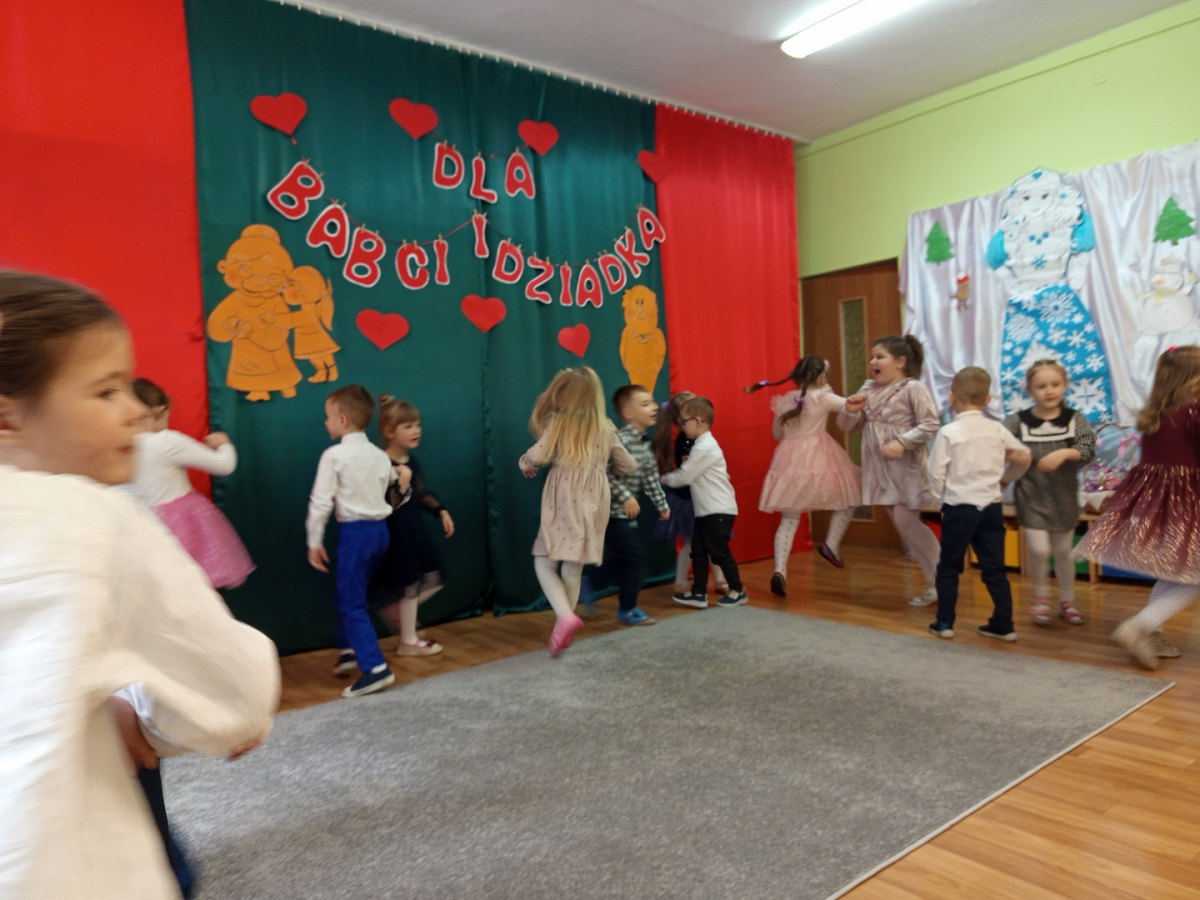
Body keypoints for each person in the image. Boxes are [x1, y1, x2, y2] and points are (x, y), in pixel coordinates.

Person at [0, 271, 278, 900]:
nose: (133, 410)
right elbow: (235, 691)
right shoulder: (97, 523)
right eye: (106, 391)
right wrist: (161, 719)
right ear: (6, 416)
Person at [1074, 346, 1200, 669]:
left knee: (1175, 570)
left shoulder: (1156, 413)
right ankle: (1139, 626)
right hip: (1186, 504)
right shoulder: (1193, 412)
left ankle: (1152, 633)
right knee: (1193, 575)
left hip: (1158, 505)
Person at [520, 367, 636, 657]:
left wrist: (526, 464)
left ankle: (564, 617)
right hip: (596, 501)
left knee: (544, 561)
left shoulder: (559, 423)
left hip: (565, 499)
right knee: (573, 567)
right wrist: (603, 467)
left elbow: (536, 456)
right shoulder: (606, 427)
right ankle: (563, 629)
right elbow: (628, 465)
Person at [306, 384, 411, 698]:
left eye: (327, 417)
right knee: (349, 591)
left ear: (342, 420)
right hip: (380, 533)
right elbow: (397, 492)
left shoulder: (334, 455)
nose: (324, 422)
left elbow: (320, 502)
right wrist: (403, 483)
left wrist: (314, 541)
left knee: (351, 600)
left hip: (356, 534)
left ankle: (375, 668)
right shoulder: (379, 455)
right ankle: (349, 647)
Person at [925, 367, 1031, 641]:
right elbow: (1023, 457)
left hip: (959, 507)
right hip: (991, 508)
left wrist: (940, 499)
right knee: (994, 568)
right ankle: (1004, 625)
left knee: (949, 567)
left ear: (951, 397)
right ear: (987, 400)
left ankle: (944, 623)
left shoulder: (948, 432)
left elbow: (934, 472)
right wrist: (1006, 478)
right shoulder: (997, 429)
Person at [838, 335, 941, 606]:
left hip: (906, 467)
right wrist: (850, 410)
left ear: (900, 361)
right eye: (872, 357)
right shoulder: (868, 388)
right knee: (903, 526)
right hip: (879, 468)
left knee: (907, 522)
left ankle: (943, 578)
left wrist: (901, 442)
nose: (873, 361)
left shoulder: (912, 388)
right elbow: (848, 427)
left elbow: (930, 424)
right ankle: (933, 582)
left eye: (880, 356)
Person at [748, 357, 863, 597]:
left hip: (788, 458)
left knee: (789, 518)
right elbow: (849, 406)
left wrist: (793, 440)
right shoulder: (823, 397)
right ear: (820, 377)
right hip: (819, 455)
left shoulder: (787, 399)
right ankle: (831, 545)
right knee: (851, 497)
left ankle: (779, 570)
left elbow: (776, 433)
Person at [129, 377, 254, 589]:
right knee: (195, 588)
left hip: (135, 529)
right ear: (159, 410)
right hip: (181, 527)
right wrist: (224, 444)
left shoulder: (115, 447)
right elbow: (223, 466)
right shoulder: (166, 441)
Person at [1003, 360, 1096, 626]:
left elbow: (1088, 450)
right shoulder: (1016, 421)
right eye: (1041, 386)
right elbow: (997, 445)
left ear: (1065, 386)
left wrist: (1065, 453)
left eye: (1055, 384)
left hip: (1063, 497)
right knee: (1038, 549)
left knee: (1064, 551)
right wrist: (1013, 455)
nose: (1049, 390)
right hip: (1031, 496)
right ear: (1029, 390)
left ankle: (1067, 600)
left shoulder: (1074, 419)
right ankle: (1040, 597)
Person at [371, 395, 451, 656]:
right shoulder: (380, 462)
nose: (416, 431)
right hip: (395, 532)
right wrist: (400, 480)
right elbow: (385, 503)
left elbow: (419, 494)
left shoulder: (411, 462)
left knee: (432, 579)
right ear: (388, 431)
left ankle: (401, 617)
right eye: (408, 426)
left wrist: (440, 510)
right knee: (409, 586)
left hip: (414, 529)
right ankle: (408, 640)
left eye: (417, 425)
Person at [590, 384, 671, 626]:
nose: (653, 407)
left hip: (623, 514)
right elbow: (601, 473)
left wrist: (661, 504)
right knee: (634, 556)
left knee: (624, 557)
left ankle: (588, 583)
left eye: (653, 402)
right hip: (608, 512)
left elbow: (650, 477)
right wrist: (625, 496)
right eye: (645, 404)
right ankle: (626, 609)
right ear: (628, 413)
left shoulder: (644, 444)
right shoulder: (619, 440)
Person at [661, 396, 747, 608]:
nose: (682, 426)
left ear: (698, 421)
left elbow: (684, 476)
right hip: (705, 511)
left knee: (719, 552)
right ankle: (698, 593)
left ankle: (738, 590)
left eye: (684, 422)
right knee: (698, 551)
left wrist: (662, 479)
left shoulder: (704, 447)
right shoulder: (701, 445)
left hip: (717, 510)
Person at [652, 391, 727, 594]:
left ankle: (719, 578)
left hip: (698, 495)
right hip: (691, 499)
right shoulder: (687, 441)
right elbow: (689, 472)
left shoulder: (696, 439)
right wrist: (667, 479)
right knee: (692, 541)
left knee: (710, 540)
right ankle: (681, 580)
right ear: (682, 420)